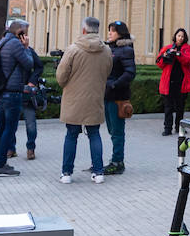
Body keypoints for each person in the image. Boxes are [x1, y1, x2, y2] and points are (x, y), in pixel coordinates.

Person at [56, 17, 111, 184]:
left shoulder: (73, 49)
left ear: (84, 30)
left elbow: (61, 76)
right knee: (94, 134)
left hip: (74, 99)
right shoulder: (106, 50)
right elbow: (107, 72)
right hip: (94, 98)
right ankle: (99, 172)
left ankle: (66, 173)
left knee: (71, 135)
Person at [0, 20, 33, 177]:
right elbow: (29, 64)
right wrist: (26, 48)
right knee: (9, 128)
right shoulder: (15, 44)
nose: (27, 36)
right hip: (13, 92)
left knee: (0, 127)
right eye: (26, 32)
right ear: (19, 32)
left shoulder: (2, 41)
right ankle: (1, 164)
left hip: (2, 91)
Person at [102, 21, 136, 175]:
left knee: (117, 131)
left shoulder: (126, 50)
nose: (110, 33)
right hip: (107, 95)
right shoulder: (109, 48)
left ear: (120, 33)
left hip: (118, 96)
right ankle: (115, 159)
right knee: (111, 129)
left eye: (113, 31)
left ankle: (117, 161)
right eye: (109, 30)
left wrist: (114, 84)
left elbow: (130, 72)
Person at [157, 28, 190, 136]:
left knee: (180, 107)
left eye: (182, 36)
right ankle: (167, 128)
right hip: (168, 82)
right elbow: (159, 64)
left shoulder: (188, 48)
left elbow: (188, 60)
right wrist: (165, 56)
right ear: (175, 36)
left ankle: (179, 127)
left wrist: (177, 54)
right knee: (168, 107)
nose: (180, 38)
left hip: (182, 82)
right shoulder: (167, 48)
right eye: (179, 36)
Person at [9, 40, 43, 161]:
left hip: (27, 93)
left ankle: (30, 148)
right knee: (11, 123)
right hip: (13, 92)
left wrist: (32, 81)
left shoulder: (29, 51)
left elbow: (39, 67)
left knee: (31, 124)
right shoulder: (9, 51)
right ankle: (11, 149)